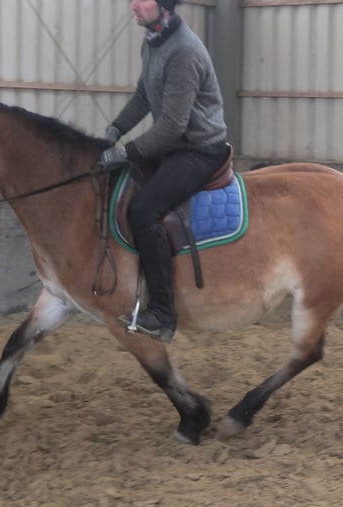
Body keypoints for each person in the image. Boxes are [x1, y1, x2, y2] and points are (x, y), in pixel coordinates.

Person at [98, 0, 228, 343]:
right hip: (174, 145)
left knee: (144, 211)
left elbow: (172, 125)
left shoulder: (184, 51)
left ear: (164, 6)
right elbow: (143, 95)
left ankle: (164, 315)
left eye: (141, 1)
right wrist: (114, 130)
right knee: (119, 185)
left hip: (198, 150)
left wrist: (124, 151)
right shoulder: (153, 40)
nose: (132, 7)